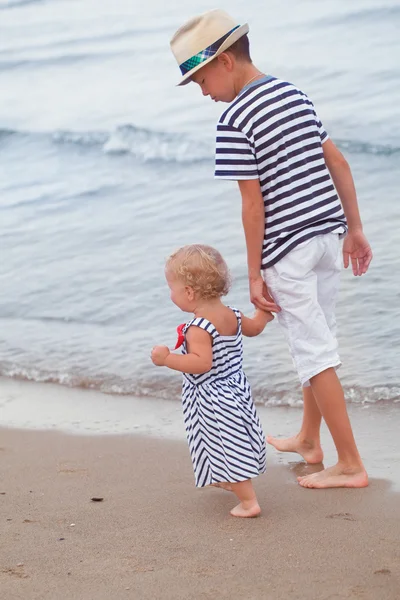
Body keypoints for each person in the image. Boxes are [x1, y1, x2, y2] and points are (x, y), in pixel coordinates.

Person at [169, 10, 373, 489]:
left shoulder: (234, 117)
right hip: (327, 237)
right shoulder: (292, 92)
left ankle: (350, 464)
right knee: (317, 340)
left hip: (289, 249)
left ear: (224, 62)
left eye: (200, 79)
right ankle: (308, 438)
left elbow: (252, 202)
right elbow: (336, 160)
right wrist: (355, 229)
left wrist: (256, 270)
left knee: (312, 350)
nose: (203, 92)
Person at [151, 244, 273, 517]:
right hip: (235, 389)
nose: (170, 294)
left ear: (189, 292)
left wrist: (167, 358)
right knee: (234, 437)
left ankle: (248, 502)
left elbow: (200, 363)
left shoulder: (198, 327)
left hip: (212, 398)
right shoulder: (233, 314)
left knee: (227, 444)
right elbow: (253, 329)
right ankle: (226, 478)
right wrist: (264, 316)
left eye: (171, 288)